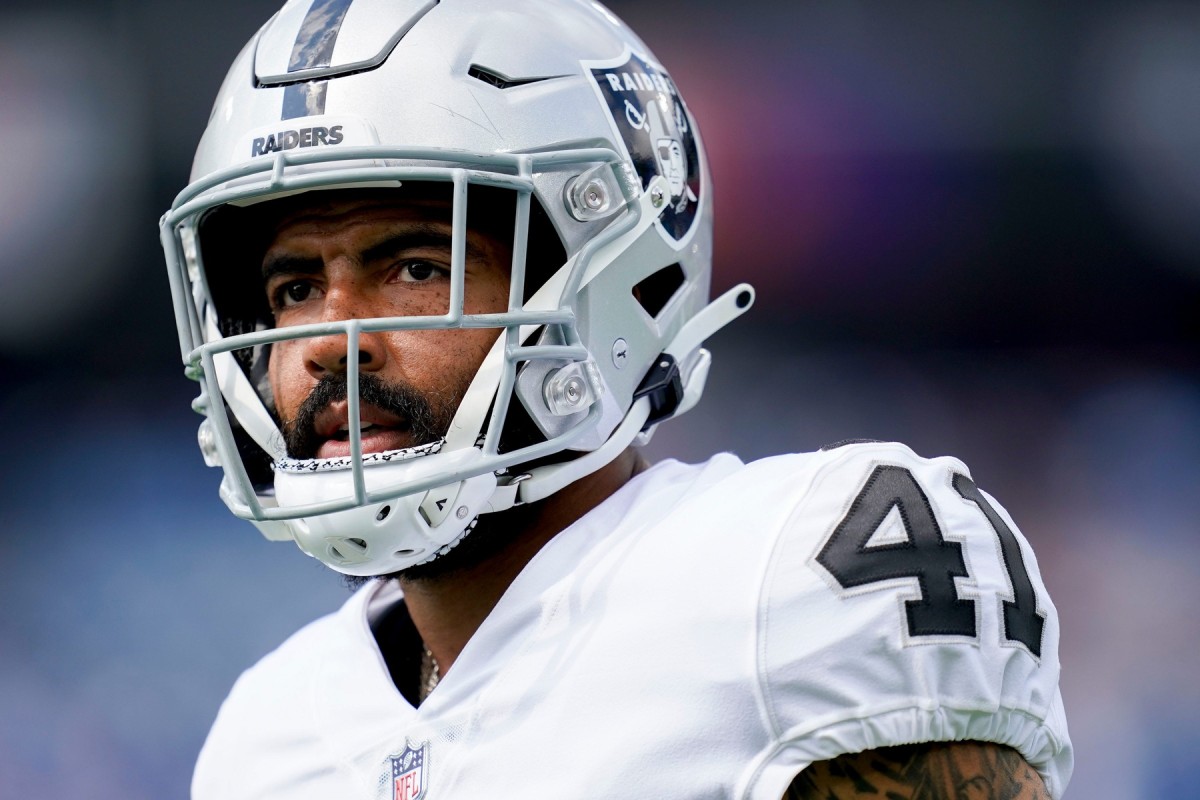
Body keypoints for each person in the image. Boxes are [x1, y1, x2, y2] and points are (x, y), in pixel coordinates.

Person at [160, 0, 1073, 797]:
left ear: (609, 283)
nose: (324, 339)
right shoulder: (263, 740)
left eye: (414, 268)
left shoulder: (786, 581)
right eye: (292, 287)